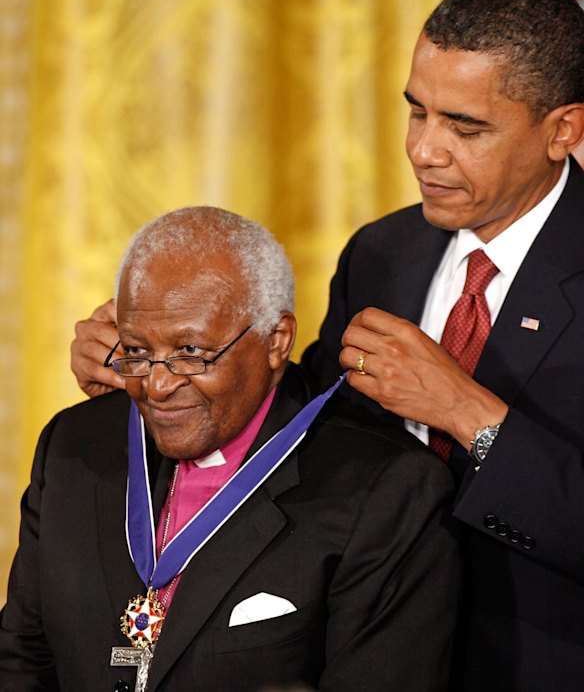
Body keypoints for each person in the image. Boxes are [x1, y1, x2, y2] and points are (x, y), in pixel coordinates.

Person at [67, 0, 584, 690]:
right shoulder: (384, 253)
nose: (424, 151)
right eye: (417, 112)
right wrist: (155, 358)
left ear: (563, 129)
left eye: (464, 127)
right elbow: (307, 416)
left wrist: (466, 412)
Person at [0, 207, 458, 691]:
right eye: (136, 351)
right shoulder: (74, 445)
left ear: (276, 340)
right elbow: (21, 660)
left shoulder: (387, 489)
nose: (157, 385)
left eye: (191, 353)